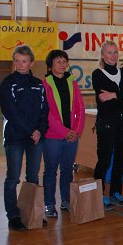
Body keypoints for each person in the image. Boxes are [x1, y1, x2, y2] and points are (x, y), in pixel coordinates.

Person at [0, 45, 48, 231]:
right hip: (15, 138)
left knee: (33, 177)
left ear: (31, 63)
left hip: (35, 138)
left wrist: (39, 131)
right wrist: (31, 131)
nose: (20, 65)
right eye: (17, 61)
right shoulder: (7, 84)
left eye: (24, 61)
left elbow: (44, 111)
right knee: (13, 178)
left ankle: (32, 212)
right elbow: (12, 113)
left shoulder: (38, 84)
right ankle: (13, 215)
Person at [42, 50, 86, 218]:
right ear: (50, 65)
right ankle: (49, 204)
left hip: (72, 137)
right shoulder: (45, 84)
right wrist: (64, 131)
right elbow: (47, 113)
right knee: (51, 170)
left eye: (64, 61)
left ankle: (66, 200)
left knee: (67, 170)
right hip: (53, 137)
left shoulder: (72, 83)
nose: (62, 64)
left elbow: (80, 108)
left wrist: (76, 131)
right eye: (58, 61)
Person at [91, 40, 123, 208]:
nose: (113, 55)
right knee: (104, 159)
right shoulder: (97, 74)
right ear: (102, 55)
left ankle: (115, 191)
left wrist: (114, 95)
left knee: (121, 158)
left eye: (115, 52)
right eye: (109, 52)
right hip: (106, 123)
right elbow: (103, 98)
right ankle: (98, 194)